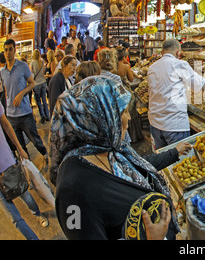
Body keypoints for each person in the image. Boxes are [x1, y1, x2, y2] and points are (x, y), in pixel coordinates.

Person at [50, 76, 191, 239]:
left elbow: (139, 166)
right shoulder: (72, 191)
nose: (129, 118)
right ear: (101, 117)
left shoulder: (107, 148)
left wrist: (174, 152)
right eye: (123, 112)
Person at [0, 102, 49, 240]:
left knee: (26, 196)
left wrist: (20, 148)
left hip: (6, 165)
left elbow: (6, 125)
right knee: (14, 218)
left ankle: (38, 214)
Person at [147, 39, 205, 150]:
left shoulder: (152, 67)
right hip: (174, 125)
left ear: (162, 52)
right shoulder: (180, 64)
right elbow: (199, 85)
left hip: (155, 123)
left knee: (162, 161)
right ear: (178, 52)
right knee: (180, 163)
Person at [0, 39, 48, 161]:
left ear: (14, 50)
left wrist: (21, 93)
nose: (8, 52)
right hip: (11, 115)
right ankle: (29, 168)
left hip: (25, 113)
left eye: (10, 49)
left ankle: (45, 155)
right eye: (6, 50)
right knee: (20, 146)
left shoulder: (23, 66)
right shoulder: (2, 72)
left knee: (35, 140)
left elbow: (32, 83)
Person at [30, 49, 50, 123]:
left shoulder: (32, 63)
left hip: (36, 83)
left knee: (38, 100)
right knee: (44, 99)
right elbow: (43, 71)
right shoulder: (42, 62)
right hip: (43, 82)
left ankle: (42, 115)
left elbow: (31, 74)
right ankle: (47, 115)